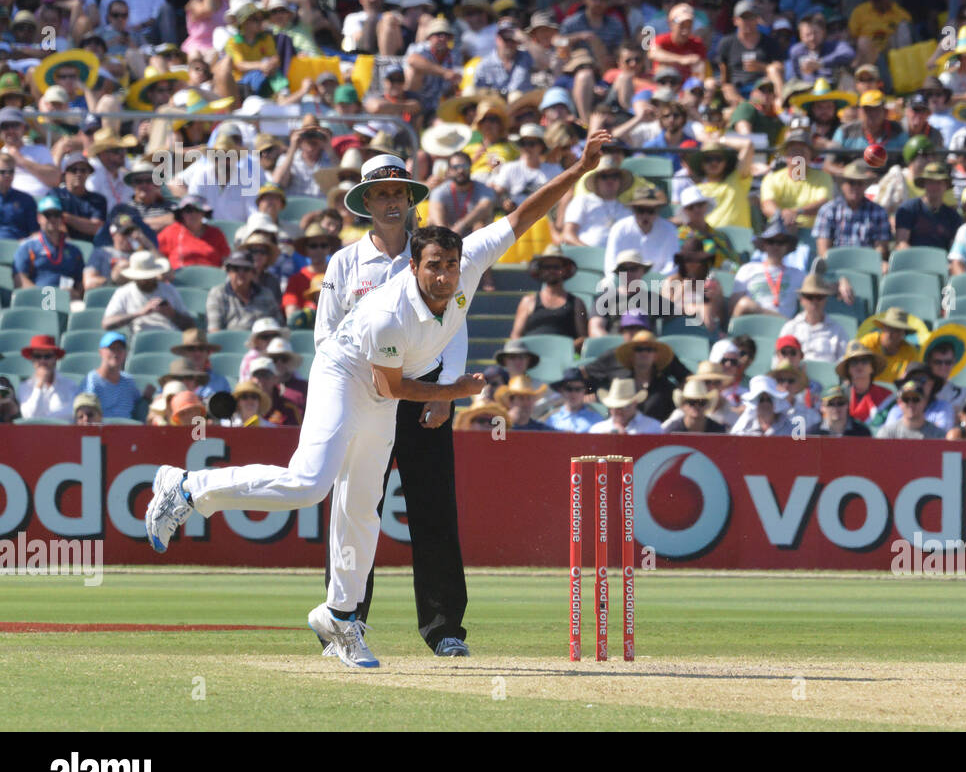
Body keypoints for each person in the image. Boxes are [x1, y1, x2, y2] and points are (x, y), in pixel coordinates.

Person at [144, 131, 616, 668]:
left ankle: (341, 618)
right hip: (348, 377)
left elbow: (525, 214)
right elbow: (390, 386)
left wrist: (579, 169)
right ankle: (185, 485)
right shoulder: (386, 308)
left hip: (392, 391)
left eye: (450, 265)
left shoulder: (467, 259)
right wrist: (454, 391)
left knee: (361, 510)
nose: (444, 275)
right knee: (310, 483)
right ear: (413, 267)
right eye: (433, 266)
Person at [102, 250, 194, 336]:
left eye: (148, 277)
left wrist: (172, 313)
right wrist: (140, 313)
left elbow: (190, 325)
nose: (145, 281)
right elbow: (107, 324)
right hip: (141, 338)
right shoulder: (123, 292)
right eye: (142, 279)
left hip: (170, 336)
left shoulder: (169, 290)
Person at [13, 196, 85, 298]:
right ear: (39, 218)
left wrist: (76, 294)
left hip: (67, 301)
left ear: (61, 218)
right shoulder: (28, 247)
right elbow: (19, 279)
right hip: (37, 301)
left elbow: (80, 283)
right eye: (48, 214)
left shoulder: (74, 251)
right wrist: (44, 297)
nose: (52, 219)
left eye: (56, 214)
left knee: (82, 310)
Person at [80, 331, 143, 420]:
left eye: (120, 348)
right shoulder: (92, 380)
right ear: (101, 352)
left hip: (127, 431)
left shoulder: (128, 381)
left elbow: (139, 399)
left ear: (126, 353)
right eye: (112, 348)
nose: (116, 353)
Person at [16, 335, 80, 422]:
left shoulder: (70, 385)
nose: (43, 361)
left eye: (47, 356)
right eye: (37, 356)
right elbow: (30, 416)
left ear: (55, 358)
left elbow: (72, 415)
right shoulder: (24, 387)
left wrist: (45, 419)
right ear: (32, 359)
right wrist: (40, 385)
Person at [590, 377, 665, 434]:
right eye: (614, 407)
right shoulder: (597, 430)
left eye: (624, 406)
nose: (619, 410)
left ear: (634, 404)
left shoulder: (653, 427)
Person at [546, 367, 604, 433]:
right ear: (561, 391)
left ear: (585, 391)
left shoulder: (597, 420)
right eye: (569, 389)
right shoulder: (552, 421)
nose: (573, 393)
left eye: (578, 389)